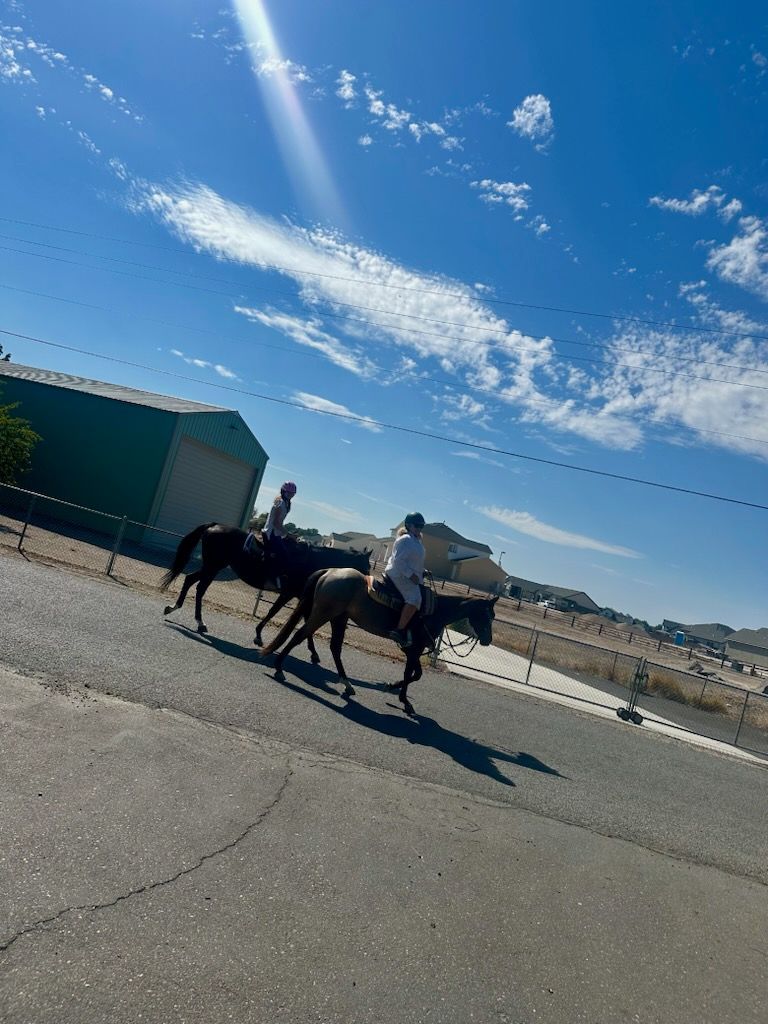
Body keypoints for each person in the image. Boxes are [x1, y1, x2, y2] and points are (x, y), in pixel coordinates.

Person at [384, 512, 426, 649]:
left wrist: (422, 572)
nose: (419, 528)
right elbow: (398, 561)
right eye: (417, 525)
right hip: (398, 574)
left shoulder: (416, 541)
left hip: (409, 575)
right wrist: (411, 575)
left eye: (421, 526)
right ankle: (399, 630)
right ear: (408, 525)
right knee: (415, 599)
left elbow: (414, 562)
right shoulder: (405, 540)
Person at [262, 481, 297, 586]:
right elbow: (277, 523)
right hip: (271, 532)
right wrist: (288, 534)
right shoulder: (280, 502)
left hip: (276, 532)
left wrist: (288, 533)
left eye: (292, 494)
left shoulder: (286, 503)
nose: (291, 495)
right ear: (283, 491)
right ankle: (272, 577)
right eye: (289, 493)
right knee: (283, 555)